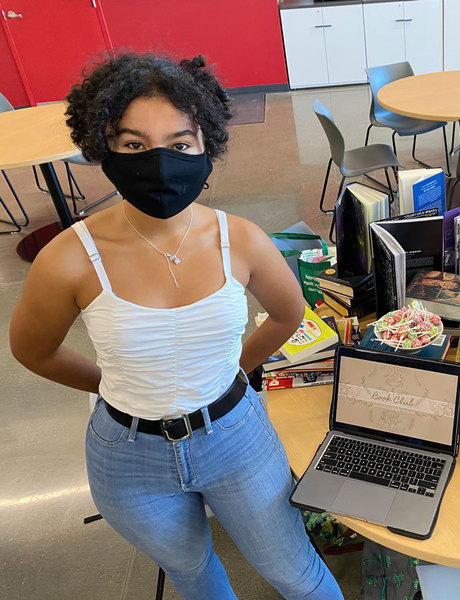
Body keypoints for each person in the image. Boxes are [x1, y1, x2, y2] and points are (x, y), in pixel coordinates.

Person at [8, 54, 343, 600]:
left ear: (206, 145)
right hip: (127, 453)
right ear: (103, 148)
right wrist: (114, 383)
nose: (160, 162)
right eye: (134, 145)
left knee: (293, 571)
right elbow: (33, 351)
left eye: (181, 143)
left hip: (236, 435)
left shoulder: (243, 240)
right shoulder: (69, 258)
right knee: (191, 572)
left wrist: (233, 367)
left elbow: (288, 315)